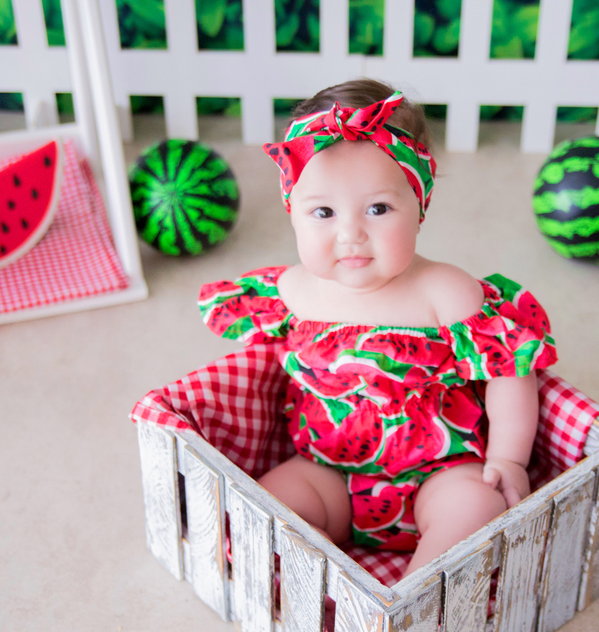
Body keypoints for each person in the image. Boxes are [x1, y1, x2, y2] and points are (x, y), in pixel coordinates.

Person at [198, 79, 557, 577]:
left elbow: (510, 372)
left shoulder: (448, 292)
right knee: (267, 502)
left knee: (478, 506)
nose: (351, 233)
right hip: (328, 472)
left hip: (440, 473)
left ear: (419, 206)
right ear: (293, 215)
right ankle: (311, 586)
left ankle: (414, 598)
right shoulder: (293, 292)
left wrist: (509, 457)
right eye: (323, 212)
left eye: (378, 209)